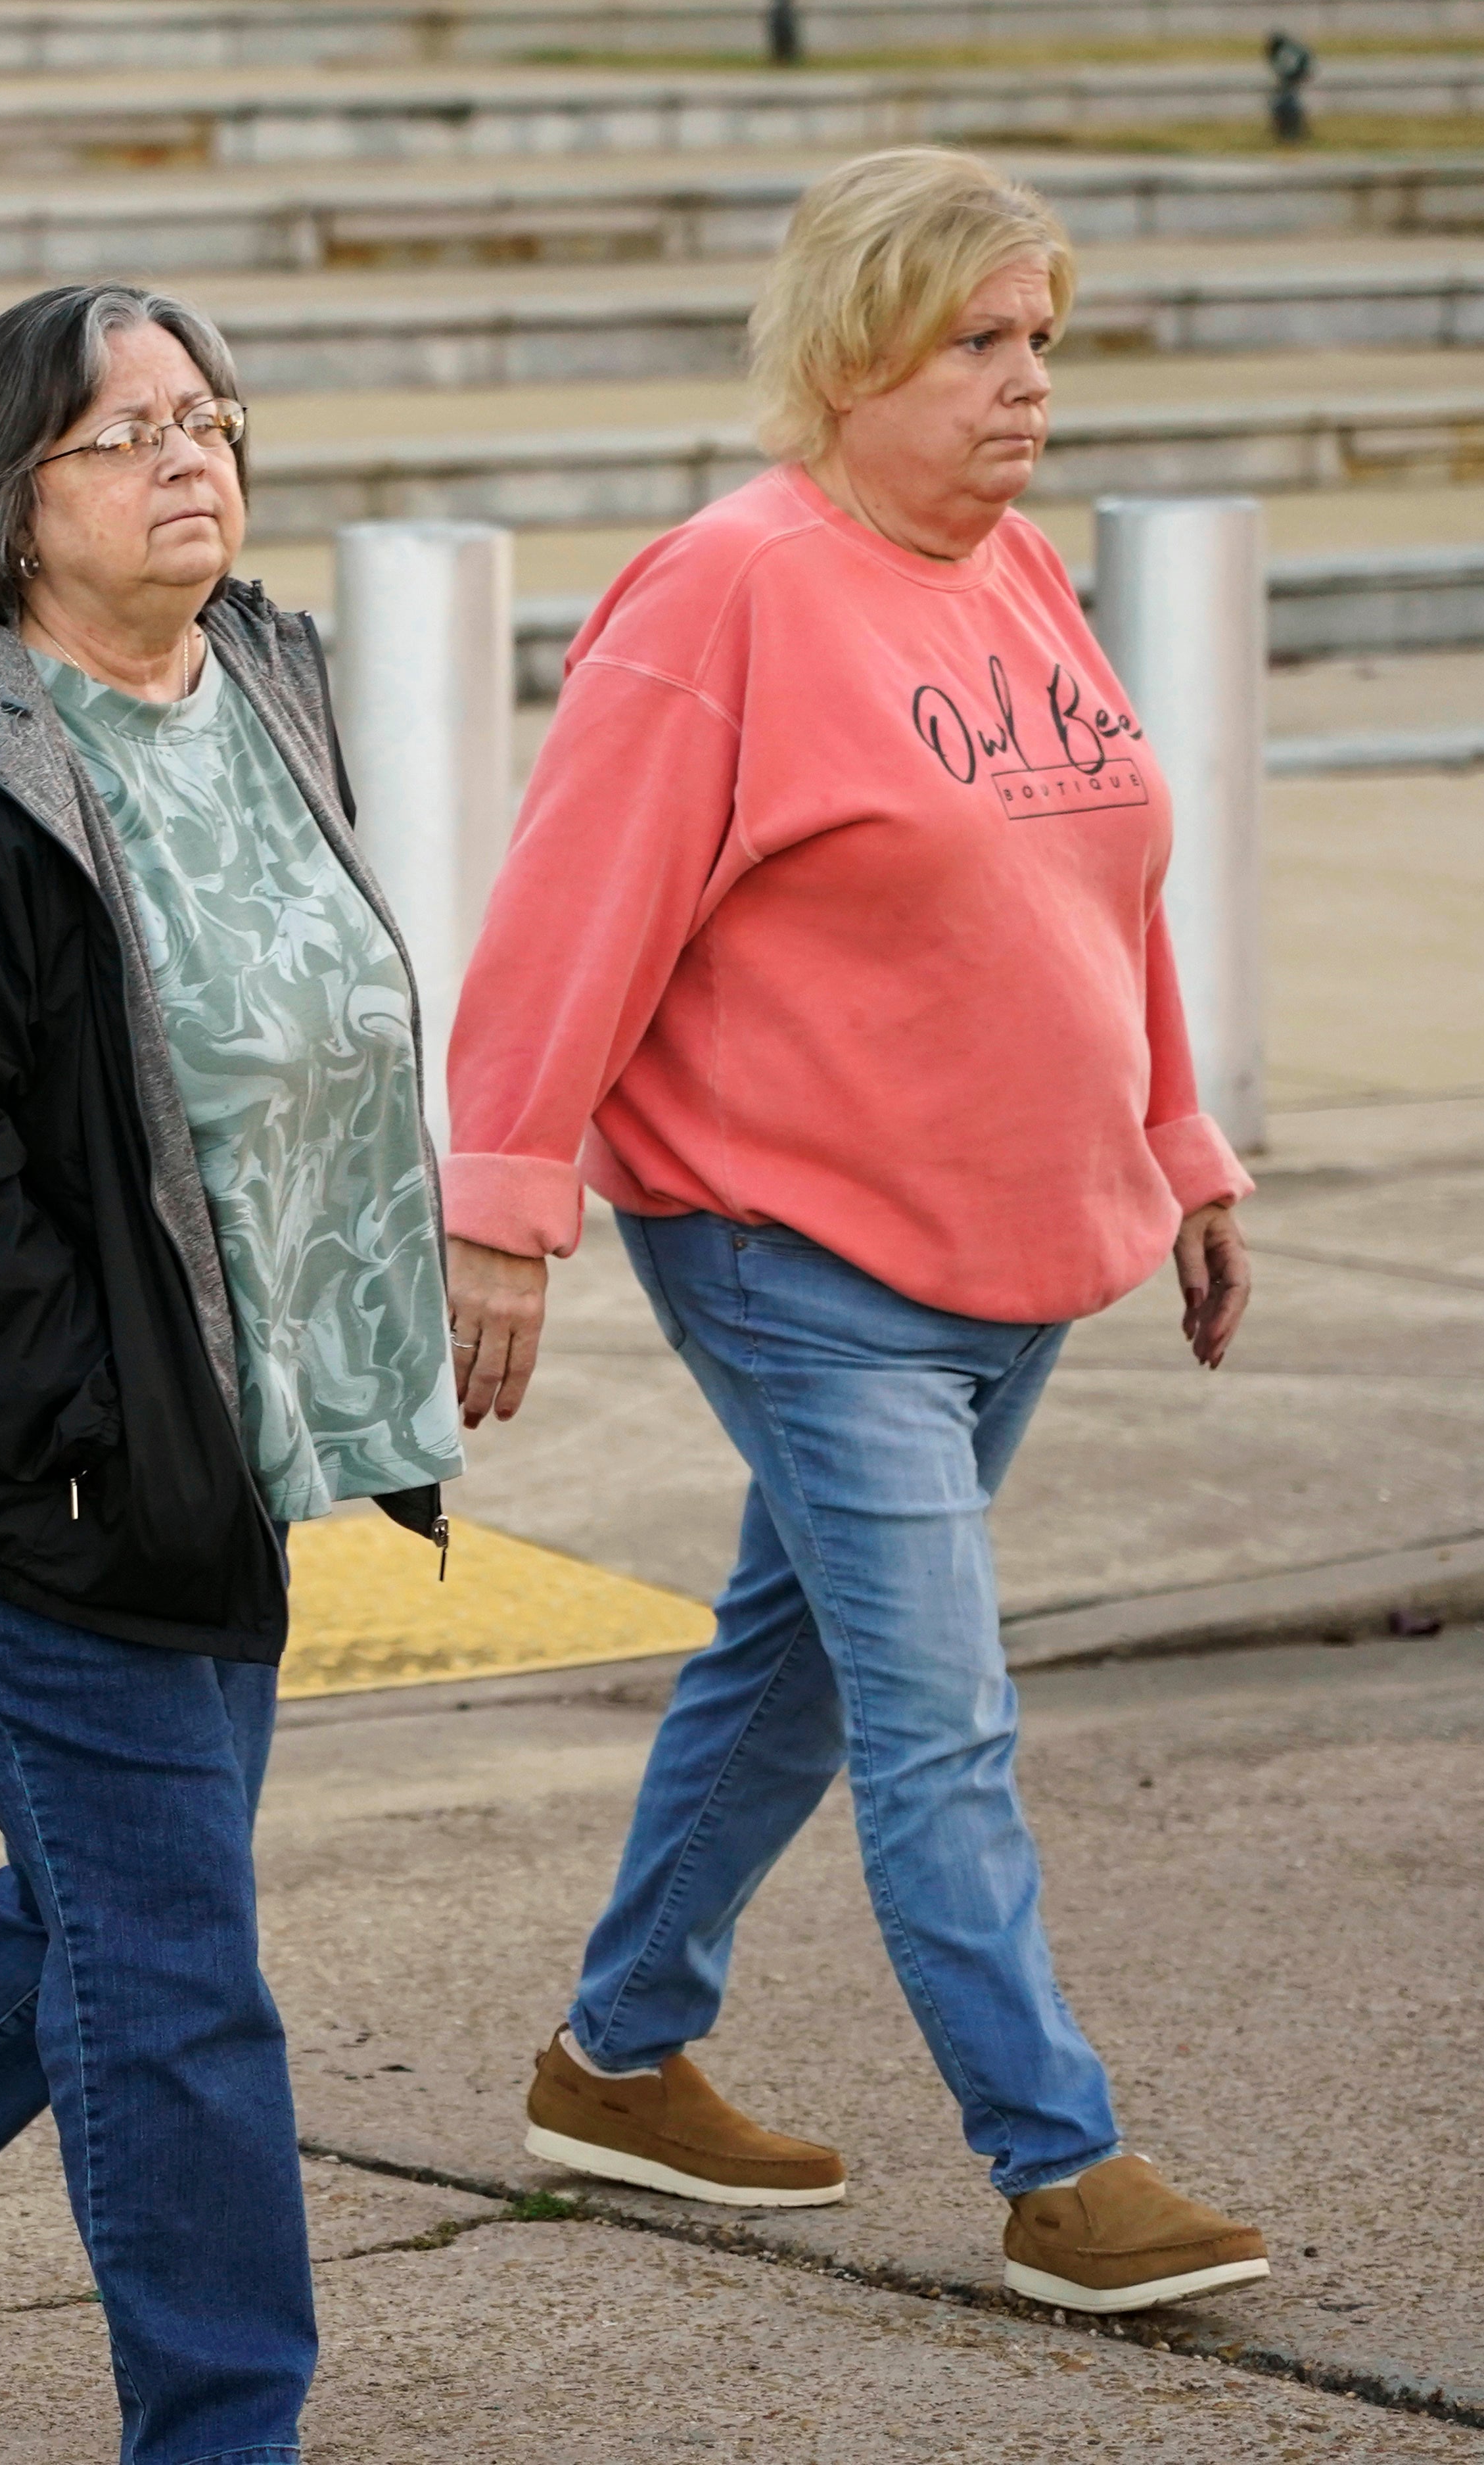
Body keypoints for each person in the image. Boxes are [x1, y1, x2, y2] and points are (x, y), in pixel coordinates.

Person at [440, 148, 1272, 2318]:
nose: (1025, 392)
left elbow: (1104, 883)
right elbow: (569, 913)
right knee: (936, 1711)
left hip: (1019, 1241)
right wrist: (503, 1208)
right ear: (850, 352)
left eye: (1041, 346)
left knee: (792, 1658)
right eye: (979, 344)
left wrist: (1178, 1146)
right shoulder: (724, 590)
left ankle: (616, 2056)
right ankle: (1055, 2161)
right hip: (788, 1246)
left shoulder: (1014, 576)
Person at [0, 283, 463, 2463]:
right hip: (17, 1468)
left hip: (216, 1441)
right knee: (173, 1978)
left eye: (207, 418)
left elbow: (298, 1030)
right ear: (9, 500)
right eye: (123, 433)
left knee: (107, 1896)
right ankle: (225, 2433)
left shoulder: (261, 679)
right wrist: (93, 1446)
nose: (186, 460)